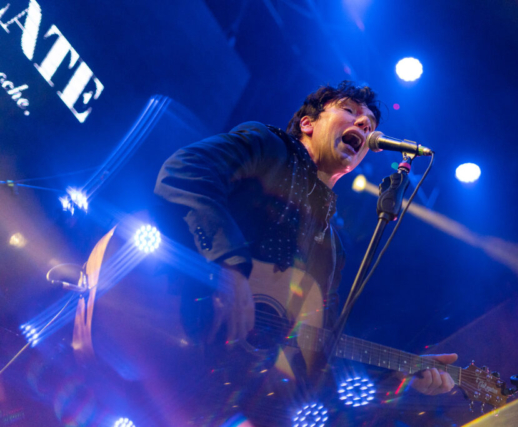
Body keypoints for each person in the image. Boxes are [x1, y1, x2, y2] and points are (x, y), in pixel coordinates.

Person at [154, 81, 457, 423]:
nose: (364, 124)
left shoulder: (331, 248)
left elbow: (319, 350)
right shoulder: (268, 146)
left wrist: (401, 373)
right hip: (158, 316)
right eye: (350, 111)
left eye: (370, 124)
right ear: (308, 124)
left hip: (203, 397)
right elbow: (185, 171)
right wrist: (230, 267)